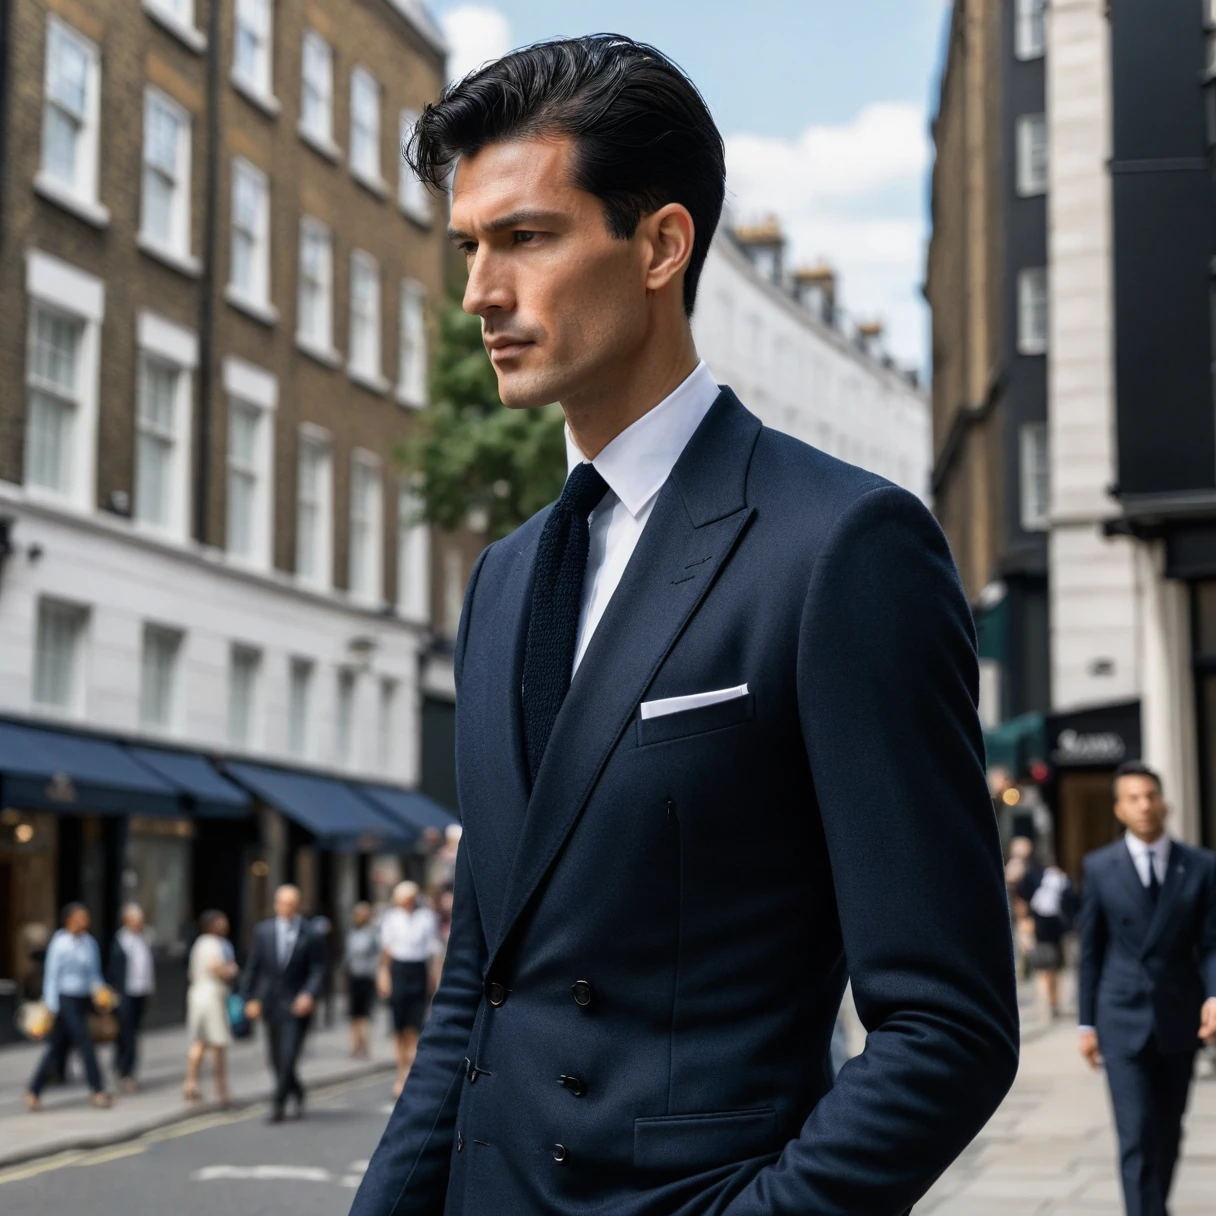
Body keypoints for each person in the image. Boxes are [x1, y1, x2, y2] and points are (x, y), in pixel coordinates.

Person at [350, 35, 1018, 1216]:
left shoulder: (843, 546)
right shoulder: (502, 579)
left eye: (526, 237)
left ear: (660, 244)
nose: (478, 294)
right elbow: (476, 990)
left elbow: (946, 1024)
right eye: (468, 247)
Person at [1079, 761, 1216, 1216]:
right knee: (1136, 1133)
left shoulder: (1200, 865)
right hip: (1120, 1017)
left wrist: (1214, 996)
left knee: (1170, 1129)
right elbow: (1090, 950)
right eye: (1133, 798)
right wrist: (1085, 1023)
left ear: (1165, 802)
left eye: (1150, 796)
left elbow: (1212, 944)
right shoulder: (1099, 867)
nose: (1144, 805)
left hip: (1180, 1014)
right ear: (1119, 809)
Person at [240, 884, 326, 1123]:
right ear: (276, 904)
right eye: (283, 903)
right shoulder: (263, 931)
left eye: (292, 904)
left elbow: (318, 969)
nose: (287, 908)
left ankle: (277, 1105)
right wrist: (249, 998)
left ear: (298, 906)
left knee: (289, 1055)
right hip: (271, 1003)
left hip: (298, 1005)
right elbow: (253, 966)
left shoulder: (312, 932)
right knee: (276, 1059)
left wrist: (309, 994)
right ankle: (296, 1091)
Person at [26, 903, 110, 1111]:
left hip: (82, 998)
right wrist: (51, 1006)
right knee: (85, 1042)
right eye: (81, 917)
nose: (85, 921)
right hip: (64, 999)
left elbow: (94, 974)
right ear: (69, 920)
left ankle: (34, 1090)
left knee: (57, 1046)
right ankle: (98, 1089)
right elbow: (52, 976)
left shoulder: (89, 943)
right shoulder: (60, 942)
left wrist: (101, 993)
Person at [377, 881, 441, 1097]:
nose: (406, 902)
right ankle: (400, 1073)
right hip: (399, 971)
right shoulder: (391, 918)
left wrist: (435, 976)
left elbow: (434, 950)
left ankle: (411, 1076)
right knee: (399, 1028)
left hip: (418, 971)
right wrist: (384, 975)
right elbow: (386, 951)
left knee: (415, 1027)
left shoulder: (426, 917)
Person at [184, 910, 239, 1107]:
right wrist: (230, 970)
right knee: (218, 1043)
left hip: (197, 994)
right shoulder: (214, 944)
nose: (225, 924)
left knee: (199, 1041)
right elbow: (216, 968)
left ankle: (190, 1084)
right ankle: (221, 1090)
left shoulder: (199, 943)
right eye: (221, 921)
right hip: (212, 996)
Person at [107, 902, 155, 1093]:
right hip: (125, 994)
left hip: (141, 991)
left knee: (133, 1033)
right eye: (135, 920)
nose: (139, 923)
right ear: (126, 921)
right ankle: (125, 1071)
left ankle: (123, 1067)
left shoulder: (144, 938)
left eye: (140, 920)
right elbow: (113, 971)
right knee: (126, 1034)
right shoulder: (120, 941)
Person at [1019, 859, 1076, 1020]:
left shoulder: (1060, 886)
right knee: (1046, 971)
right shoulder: (1055, 885)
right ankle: (1050, 1003)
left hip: (1050, 934)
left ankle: (1051, 1003)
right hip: (1045, 934)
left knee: (1051, 971)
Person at [344, 902, 379, 1059]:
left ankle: (365, 1045)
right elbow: (348, 956)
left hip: (366, 978)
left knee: (364, 1014)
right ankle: (355, 1045)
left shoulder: (372, 933)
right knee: (353, 1014)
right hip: (353, 977)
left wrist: (374, 972)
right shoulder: (352, 932)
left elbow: (377, 956)